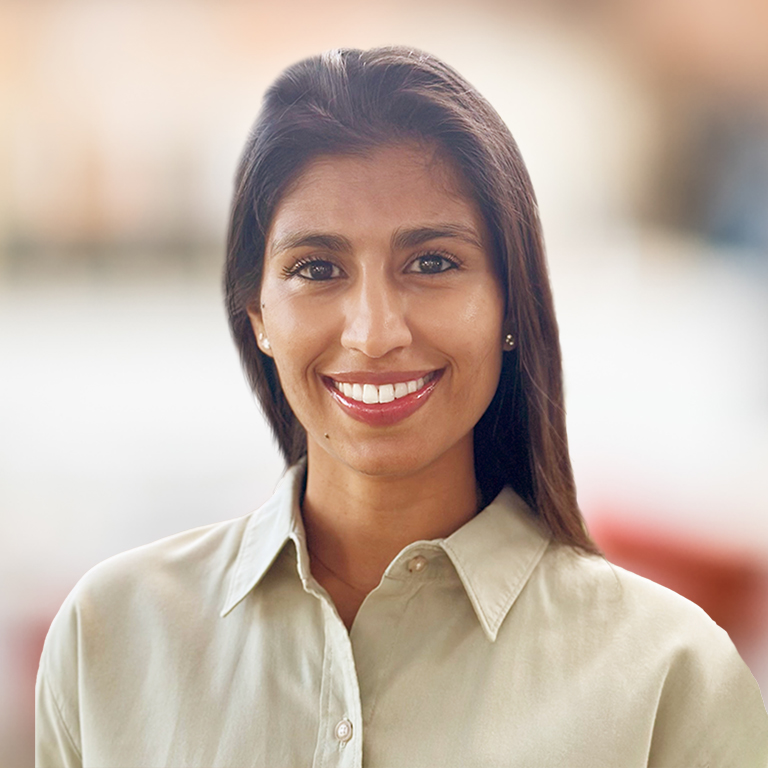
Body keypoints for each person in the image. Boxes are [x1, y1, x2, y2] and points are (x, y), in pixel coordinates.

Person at [36, 47, 768, 768]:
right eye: (317, 269)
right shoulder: (110, 635)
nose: (375, 332)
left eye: (431, 263)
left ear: (511, 302)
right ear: (255, 311)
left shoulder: (669, 675)